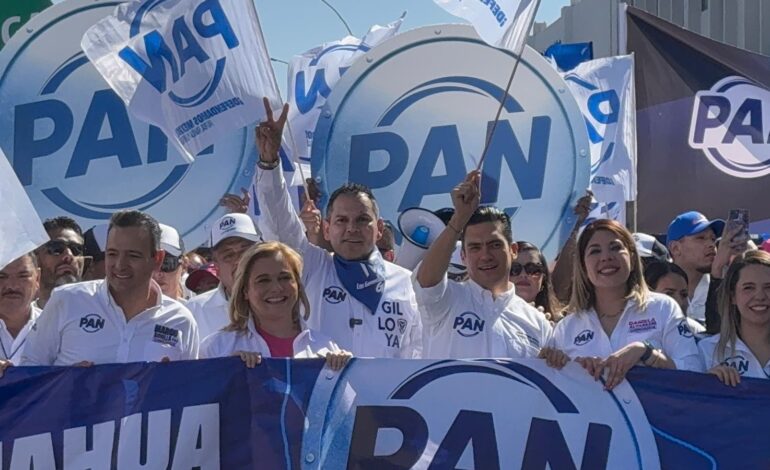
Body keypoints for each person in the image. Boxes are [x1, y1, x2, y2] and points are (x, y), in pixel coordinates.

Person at [254, 99, 421, 358]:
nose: (351, 228)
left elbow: (417, 353)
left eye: (362, 220)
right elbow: (280, 224)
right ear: (327, 228)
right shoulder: (312, 268)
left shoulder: (406, 284)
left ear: (379, 229)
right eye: (342, 220)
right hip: (319, 383)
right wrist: (269, 163)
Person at [20, 210, 198, 366]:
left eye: (133, 255)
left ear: (157, 259)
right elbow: (29, 370)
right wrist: (66, 381)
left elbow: (189, 387)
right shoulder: (66, 300)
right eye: (112, 254)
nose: (120, 265)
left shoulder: (181, 320)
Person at [414, 171, 556, 361]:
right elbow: (426, 281)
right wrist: (458, 219)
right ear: (463, 256)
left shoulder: (538, 323)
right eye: (475, 247)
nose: (485, 256)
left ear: (513, 250)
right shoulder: (445, 301)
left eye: (495, 245)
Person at [548, 219, 702, 389]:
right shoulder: (566, 328)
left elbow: (695, 373)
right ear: (583, 266)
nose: (606, 257)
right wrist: (570, 368)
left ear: (632, 257)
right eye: (595, 251)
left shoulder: (663, 308)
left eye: (615, 247)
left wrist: (647, 353)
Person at [201, 242, 351, 369]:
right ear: (245, 290)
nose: (276, 288)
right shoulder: (217, 348)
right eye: (263, 280)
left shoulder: (325, 348)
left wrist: (348, 369)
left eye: (284, 278)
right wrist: (226, 371)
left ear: (298, 285)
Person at [185, 213, 261, 341]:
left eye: (245, 251)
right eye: (228, 255)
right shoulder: (194, 312)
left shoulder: (286, 300)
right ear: (216, 267)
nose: (238, 261)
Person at [699, 250, 770, 385]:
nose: (760, 296)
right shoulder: (708, 350)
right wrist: (707, 383)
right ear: (732, 296)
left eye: (768, 287)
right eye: (748, 288)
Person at [667, 211, 745, 333]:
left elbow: (721, 335)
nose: (711, 245)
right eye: (701, 238)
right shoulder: (653, 286)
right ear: (675, 248)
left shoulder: (725, 287)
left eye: (713, 239)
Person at [0, 254, 41, 373]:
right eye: (1, 276)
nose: (12, 286)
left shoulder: (57, 329)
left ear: (37, 278)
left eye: (23, 276)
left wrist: (72, 372)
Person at [643, 261, 705, 336]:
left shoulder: (697, 332)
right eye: (669, 294)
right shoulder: (632, 331)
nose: (680, 302)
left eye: (684, 295)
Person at [35, 216, 85, 309]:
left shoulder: (102, 312)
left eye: (76, 249)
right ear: (36, 259)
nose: (68, 255)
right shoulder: (19, 316)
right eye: (56, 248)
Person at [510, 241, 563, 323]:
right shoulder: (489, 317)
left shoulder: (561, 325)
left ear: (543, 278)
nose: (523, 275)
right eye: (514, 269)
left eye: (532, 269)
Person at [152, 223, 188, 301]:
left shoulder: (196, 308)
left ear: (184, 265)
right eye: (150, 264)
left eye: (167, 263)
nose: (157, 273)